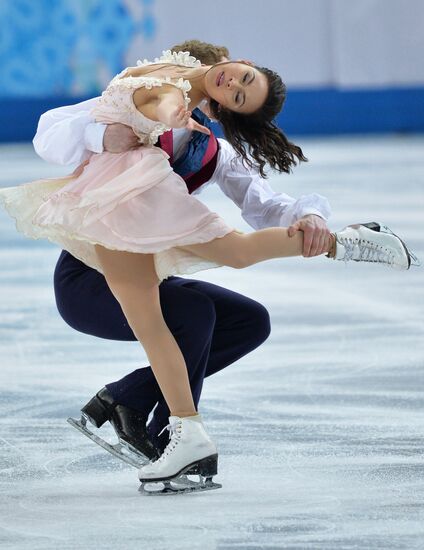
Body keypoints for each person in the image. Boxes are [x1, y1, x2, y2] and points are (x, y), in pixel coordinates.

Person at [0, 42, 416, 489]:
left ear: (217, 110)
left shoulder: (211, 149)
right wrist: (101, 137)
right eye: (233, 77)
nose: (226, 81)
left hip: (142, 243)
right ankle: (170, 431)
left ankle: (147, 409)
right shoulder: (149, 93)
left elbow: (266, 204)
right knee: (195, 306)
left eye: (237, 93)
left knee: (248, 320)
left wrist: (310, 218)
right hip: (86, 276)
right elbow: (52, 130)